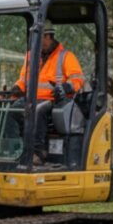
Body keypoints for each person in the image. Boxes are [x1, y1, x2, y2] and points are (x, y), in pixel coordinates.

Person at [9, 23, 85, 164]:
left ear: (49, 37)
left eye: (41, 39)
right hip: (31, 98)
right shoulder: (31, 56)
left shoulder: (66, 56)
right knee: (13, 109)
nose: (37, 43)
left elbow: (78, 78)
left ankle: (38, 152)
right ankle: (21, 146)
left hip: (53, 100)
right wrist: (15, 90)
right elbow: (23, 80)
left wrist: (66, 87)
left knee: (38, 110)